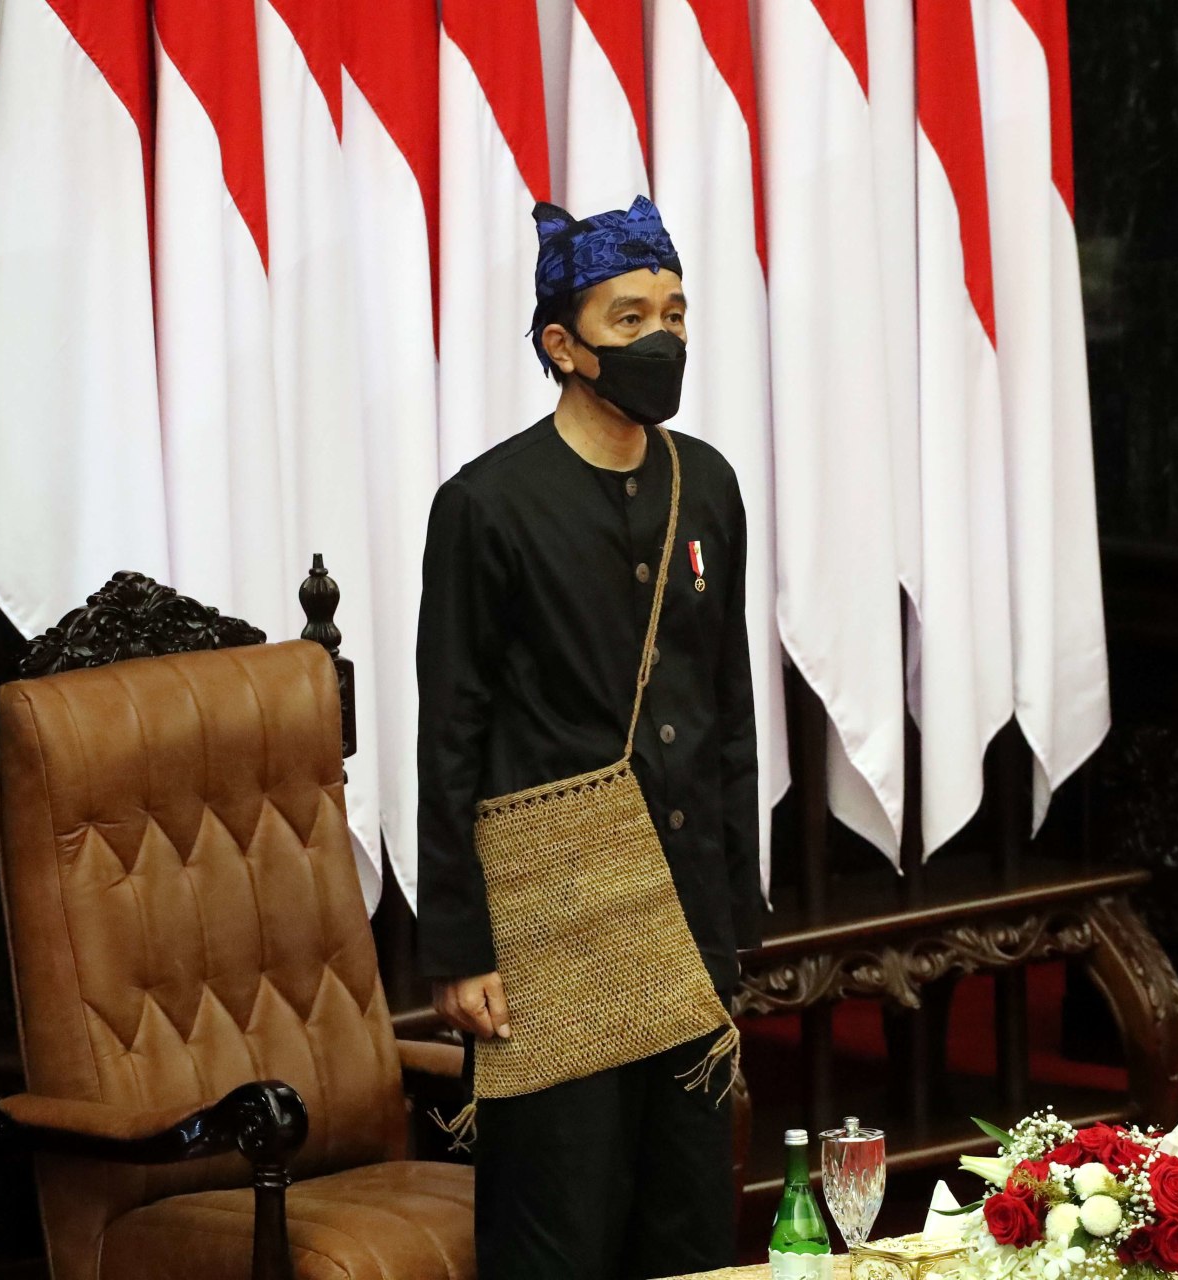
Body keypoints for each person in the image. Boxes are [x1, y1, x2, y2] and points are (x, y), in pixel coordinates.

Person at [416, 196, 763, 1280]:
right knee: (557, 1225)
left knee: (690, 1223)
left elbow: (729, 701)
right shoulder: (486, 504)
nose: (661, 338)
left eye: (674, 311)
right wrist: (459, 944)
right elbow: (450, 729)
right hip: (548, 923)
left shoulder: (704, 481)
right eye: (629, 318)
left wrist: (737, 900)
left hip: (685, 908)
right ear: (562, 345)